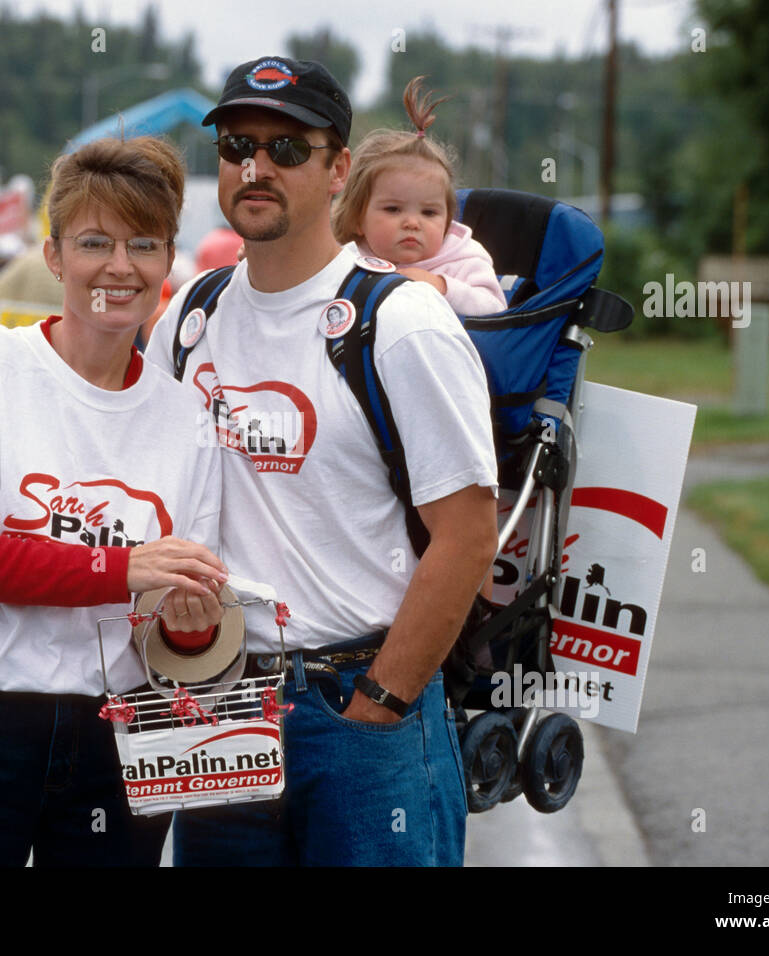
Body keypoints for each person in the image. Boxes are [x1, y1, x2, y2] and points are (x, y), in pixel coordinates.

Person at [146, 56, 499, 866]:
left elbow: (469, 535)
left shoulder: (402, 322)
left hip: (358, 710)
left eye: (288, 149)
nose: (255, 167)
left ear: (339, 168)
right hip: (219, 709)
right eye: (237, 146)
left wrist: (379, 703)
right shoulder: (189, 316)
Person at [0, 134, 227, 867]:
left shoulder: (187, 419)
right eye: (96, 241)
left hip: (121, 738)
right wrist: (121, 569)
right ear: (55, 255)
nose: (120, 266)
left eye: (145, 244)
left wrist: (191, 628)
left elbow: (179, 633)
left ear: (168, 263)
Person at [332, 76, 506, 317]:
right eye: (393, 209)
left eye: (429, 212)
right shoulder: (348, 260)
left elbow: (495, 308)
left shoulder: (463, 258)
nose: (412, 223)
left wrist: (441, 286)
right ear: (358, 218)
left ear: (447, 222)